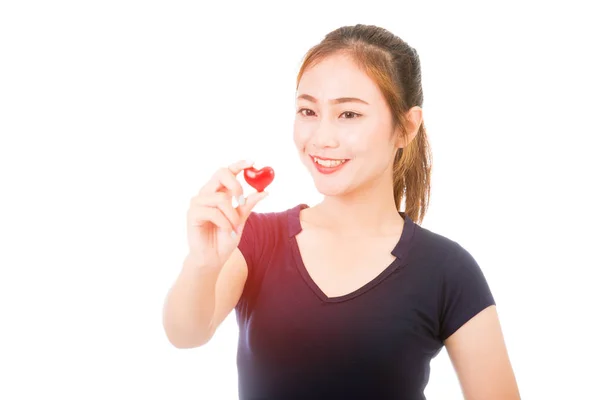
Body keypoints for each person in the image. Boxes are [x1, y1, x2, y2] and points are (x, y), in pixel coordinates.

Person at [162, 24, 520, 399]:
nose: (321, 138)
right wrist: (202, 263)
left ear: (406, 127)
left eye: (349, 114)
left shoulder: (447, 269)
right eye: (308, 111)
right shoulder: (255, 238)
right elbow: (185, 334)